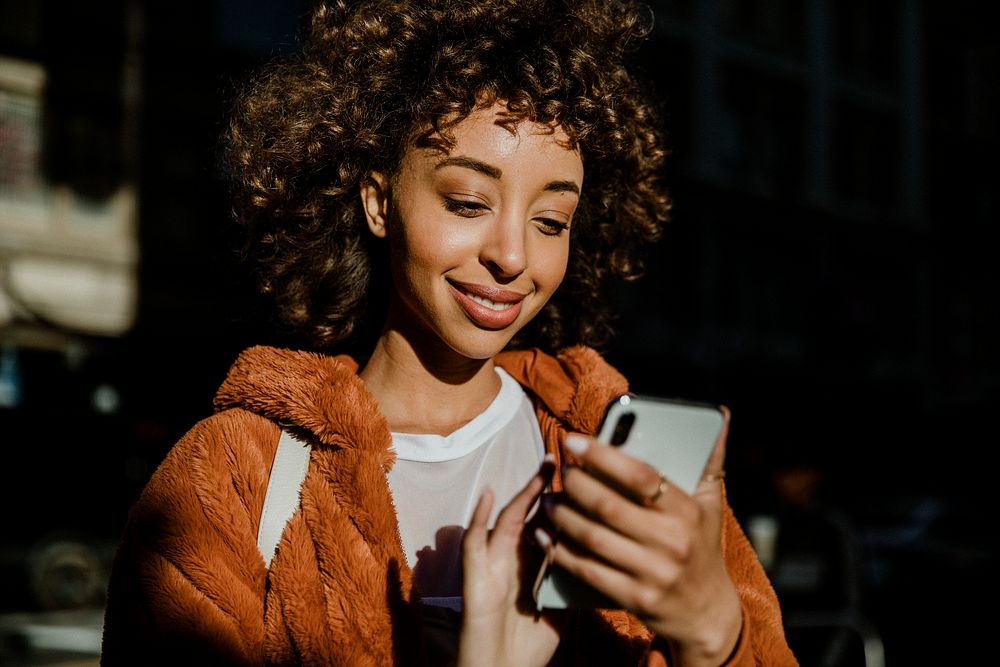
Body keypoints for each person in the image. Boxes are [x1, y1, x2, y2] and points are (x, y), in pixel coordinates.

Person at [100, 0, 798, 665]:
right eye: (467, 201)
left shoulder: (618, 468)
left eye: (551, 221)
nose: (514, 255)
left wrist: (712, 630)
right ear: (378, 201)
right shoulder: (230, 481)